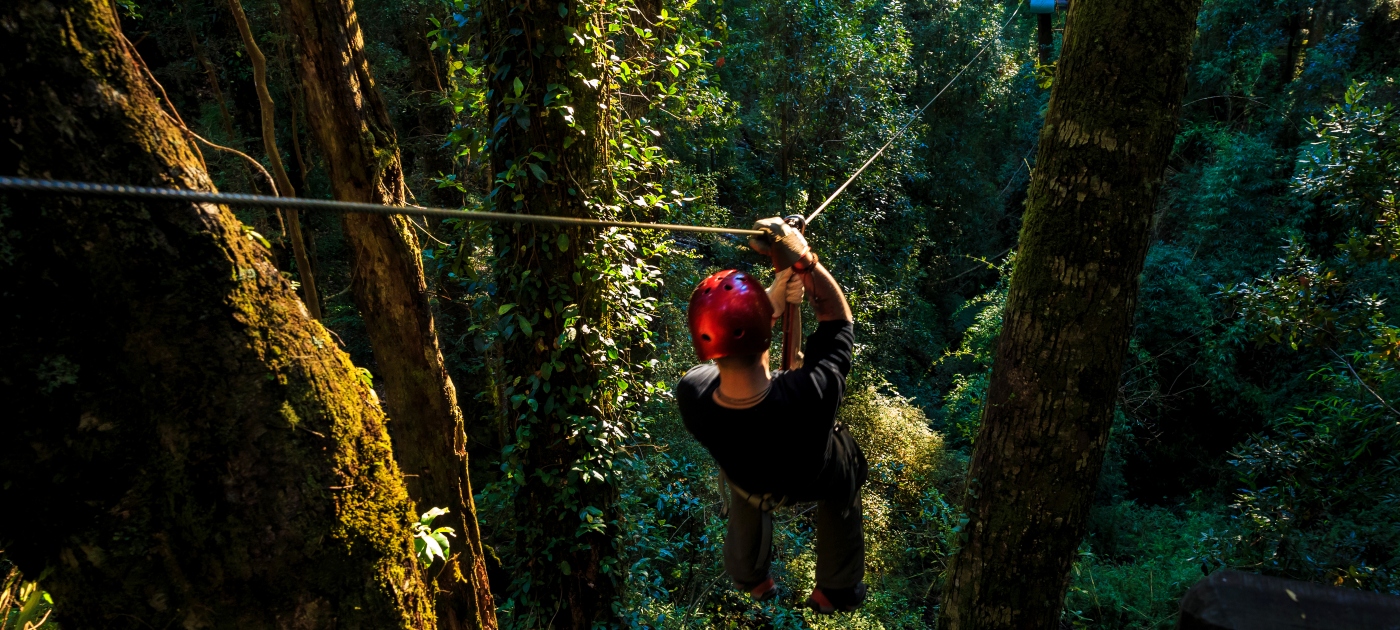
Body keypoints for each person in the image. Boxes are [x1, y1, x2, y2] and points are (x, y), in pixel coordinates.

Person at [674, 216, 868, 614]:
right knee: (846, 456)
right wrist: (802, 261)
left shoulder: (692, 394)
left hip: (753, 480)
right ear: (764, 330)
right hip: (813, 475)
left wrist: (769, 305)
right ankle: (836, 588)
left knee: (742, 477)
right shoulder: (811, 393)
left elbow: (729, 356)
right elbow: (838, 321)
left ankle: (751, 577)